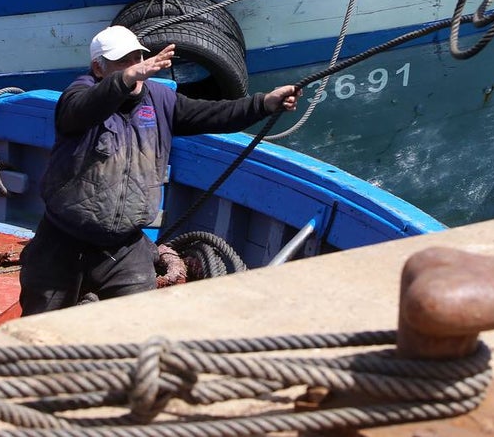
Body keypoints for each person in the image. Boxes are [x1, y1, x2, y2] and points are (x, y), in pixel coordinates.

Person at [18, 25, 301, 315]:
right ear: (98, 68)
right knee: (38, 329)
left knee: (139, 325)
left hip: (124, 247)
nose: (135, 68)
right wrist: (127, 79)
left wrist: (265, 103)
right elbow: (80, 110)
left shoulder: (161, 100)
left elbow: (217, 114)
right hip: (63, 242)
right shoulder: (79, 96)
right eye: (123, 62)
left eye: (137, 59)